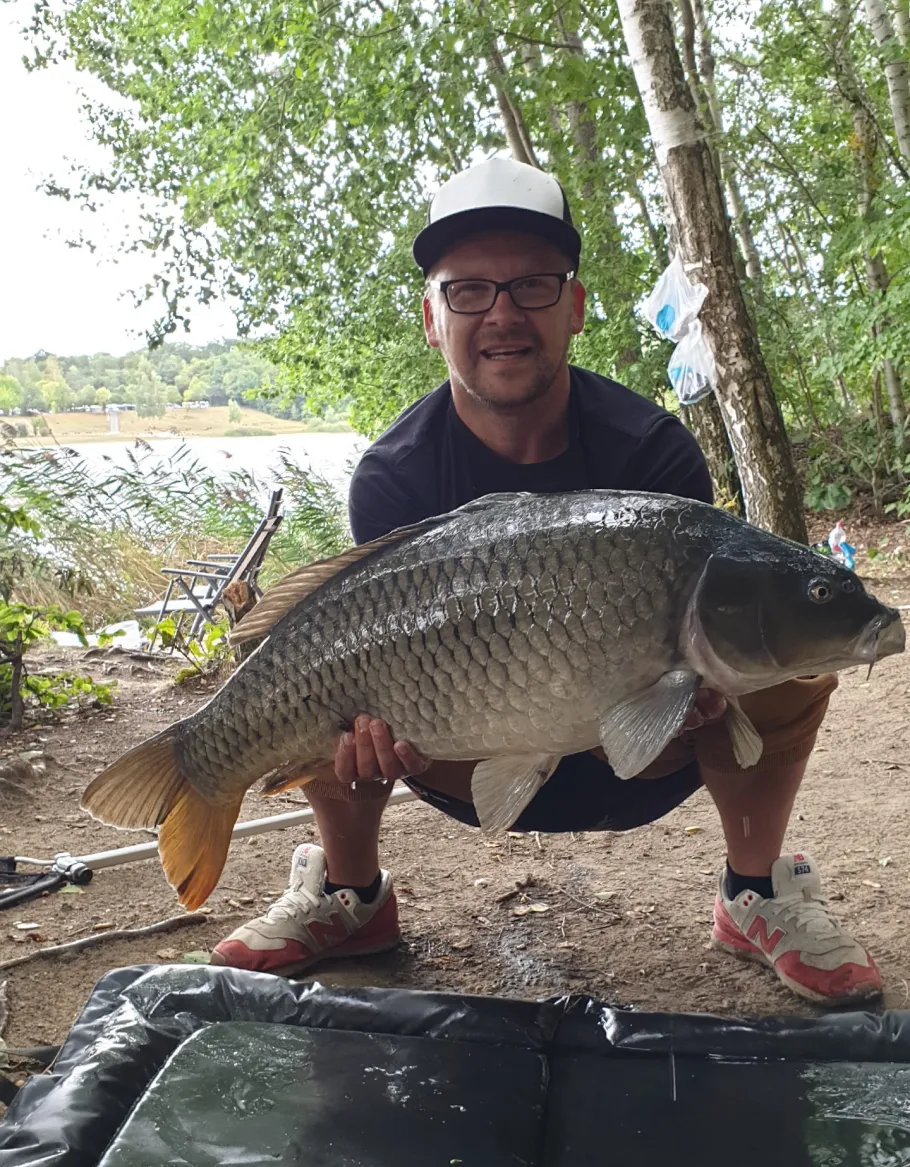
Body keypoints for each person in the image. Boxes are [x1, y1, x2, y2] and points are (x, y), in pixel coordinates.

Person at [213, 159, 881, 1008]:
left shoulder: (654, 454)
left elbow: (693, 668)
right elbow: (350, 657)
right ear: (431, 317)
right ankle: (351, 895)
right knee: (328, 682)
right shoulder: (392, 473)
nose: (502, 314)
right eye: (468, 292)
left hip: (639, 750)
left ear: (573, 307)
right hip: (458, 751)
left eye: (531, 286)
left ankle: (755, 892)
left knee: (792, 666)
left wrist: (692, 695)